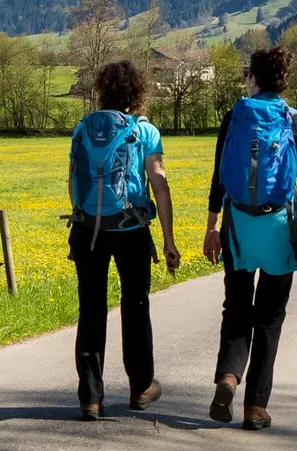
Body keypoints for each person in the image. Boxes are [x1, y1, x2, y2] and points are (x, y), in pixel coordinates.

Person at [203, 46, 297, 431]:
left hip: (239, 227)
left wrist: (212, 228)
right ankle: (255, 407)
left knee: (237, 308)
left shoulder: (235, 117)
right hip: (280, 228)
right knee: (270, 316)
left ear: (253, 78)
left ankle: (228, 377)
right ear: (285, 80)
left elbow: (219, 177)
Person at [67, 59, 179, 421]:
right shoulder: (145, 132)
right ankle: (141, 386)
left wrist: (84, 216)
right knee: (136, 307)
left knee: (91, 310)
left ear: (102, 91)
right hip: (131, 229)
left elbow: (72, 180)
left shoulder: (82, 129)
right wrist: (168, 239)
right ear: (136, 92)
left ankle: (90, 397)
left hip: (88, 230)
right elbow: (159, 185)